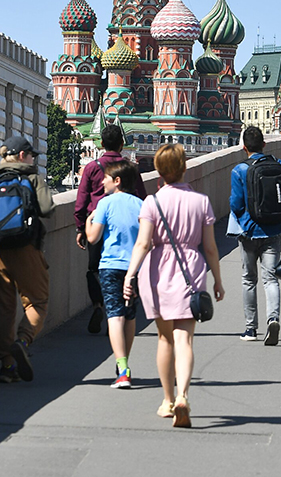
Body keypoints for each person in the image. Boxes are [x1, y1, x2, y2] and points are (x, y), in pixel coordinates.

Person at [123, 143, 225, 428]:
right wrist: (217, 280)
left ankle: (167, 401)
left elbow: (143, 243)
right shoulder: (201, 202)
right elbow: (211, 248)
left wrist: (130, 275)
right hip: (190, 269)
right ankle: (183, 395)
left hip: (157, 272)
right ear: (184, 169)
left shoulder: (151, 203)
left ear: (159, 171)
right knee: (185, 338)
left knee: (165, 338)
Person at [0, 135, 55, 384]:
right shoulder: (32, 178)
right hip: (26, 248)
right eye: (31, 155)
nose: (33, 159)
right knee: (38, 302)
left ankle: (7, 366)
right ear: (22, 156)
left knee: (3, 309)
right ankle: (22, 340)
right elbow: (47, 209)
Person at [76, 124, 147, 334]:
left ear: (102, 143)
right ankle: (116, 314)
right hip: (125, 225)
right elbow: (141, 196)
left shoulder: (92, 167)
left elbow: (81, 200)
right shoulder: (130, 168)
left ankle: (98, 305)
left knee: (94, 269)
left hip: (97, 223)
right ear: (122, 144)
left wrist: (81, 227)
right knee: (124, 269)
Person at [84, 160, 143, 389]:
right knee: (129, 315)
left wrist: (89, 220)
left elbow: (93, 238)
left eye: (106, 178)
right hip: (134, 268)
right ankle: (123, 365)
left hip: (110, 265)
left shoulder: (105, 204)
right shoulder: (141, 204)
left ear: (117, 181)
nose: (102, 181)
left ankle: (122, 367)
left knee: (114, 315)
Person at [229, 126, 281, 345]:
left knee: (248, 279)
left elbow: (235, 204)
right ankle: (273, 318)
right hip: (274, 230)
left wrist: (244, 220)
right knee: (270, 278)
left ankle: (250, 328)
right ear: (264, 144)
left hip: (248, 232)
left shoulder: (239, 170)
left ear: (244, 147)